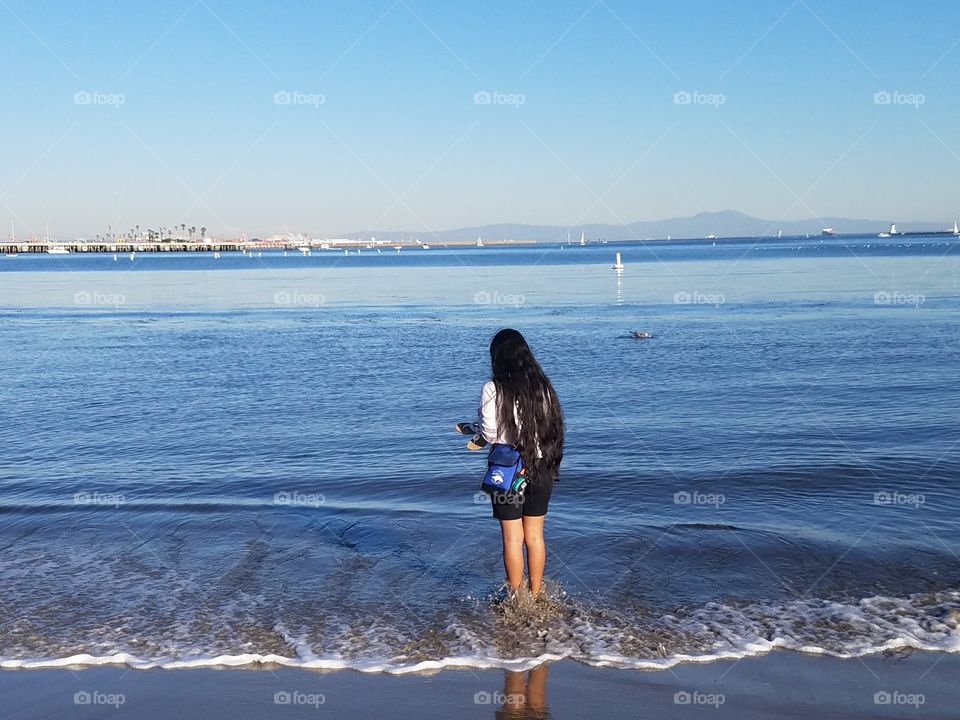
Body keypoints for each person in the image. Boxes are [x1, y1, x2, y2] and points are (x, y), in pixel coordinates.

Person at [477, 328, 564, 595]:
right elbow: (553, 427)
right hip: (542, 466)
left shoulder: (493, 388)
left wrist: (476, 429)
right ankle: (537, 594)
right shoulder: (544, 387)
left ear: (498, 357)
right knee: (535, 536)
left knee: (513, 538)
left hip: (510, 469)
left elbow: (490, 434)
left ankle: (516, 597)